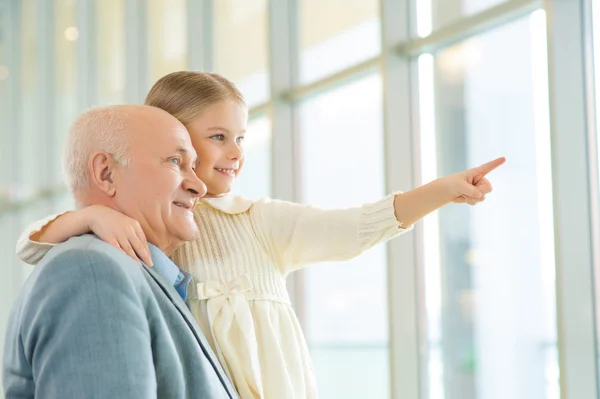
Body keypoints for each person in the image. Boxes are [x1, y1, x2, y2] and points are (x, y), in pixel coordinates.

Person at [16, 72, 505, 399]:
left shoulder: (255, 220)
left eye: (241, 138)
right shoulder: (131, 244)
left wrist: (441, 191)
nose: (234, 152)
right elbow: (41, 248)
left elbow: (351, 227)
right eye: (214, 138)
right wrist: (89, 218)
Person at [3, 105, 238, 399]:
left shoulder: (134, 276)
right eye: (175, 161)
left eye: (193, 165)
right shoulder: (91, 272)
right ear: (106, 174)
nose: (199, 186)